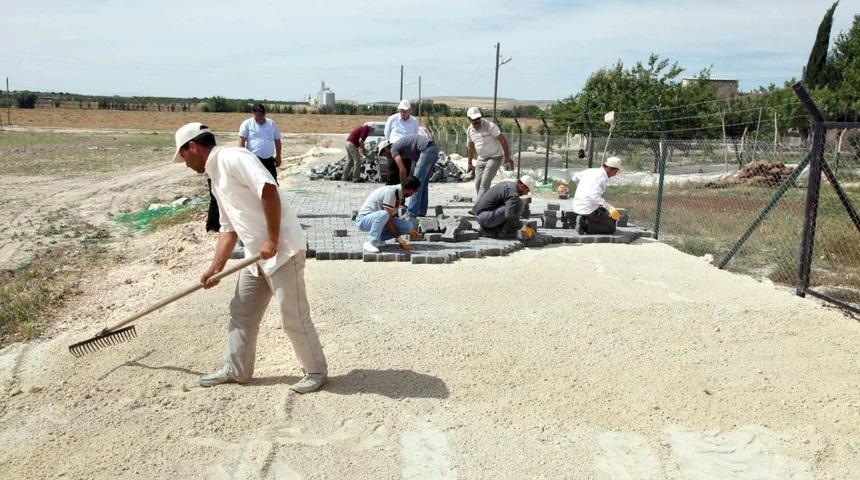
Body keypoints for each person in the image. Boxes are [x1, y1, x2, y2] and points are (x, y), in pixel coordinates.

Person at [172, 122, 327, 394]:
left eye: (183, 155)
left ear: (192, 146)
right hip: (256, 256)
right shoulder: (215, 178)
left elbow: (268, 188)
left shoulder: (234, 158)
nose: (184, 163)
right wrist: (215, 268)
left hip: (282, 250)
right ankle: (237, 369)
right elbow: (228, 228)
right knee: (241, 311)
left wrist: (273, 238)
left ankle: (316, 371)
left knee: (293, 315)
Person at [377, 134, 439, 225]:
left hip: (427, 149)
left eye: (384, 155)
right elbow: (416, 158)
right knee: (422, 183)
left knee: (415, 183)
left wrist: (403, 187)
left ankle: (411, 213)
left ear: (386, 149)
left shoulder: (394, 149)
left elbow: (402, 170)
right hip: (433, 149)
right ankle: (421, 211)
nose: (387, 157)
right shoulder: (403, 148)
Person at [355, 176, 421, 253]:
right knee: (384, 214)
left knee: (408, 226)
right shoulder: (391, 193)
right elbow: (388, 220)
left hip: (380, 218)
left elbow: (392, 216)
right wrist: (399, 239)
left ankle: (379, 238)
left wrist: (408, 230)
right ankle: (371, 242)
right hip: (364, 220)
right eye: (414, 191)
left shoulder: (399, 194)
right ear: (410, 190)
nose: (412, 194)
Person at [465, 107, 514, 199]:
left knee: (485, 182)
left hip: (495, 157)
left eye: (478, 119)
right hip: (481, 159)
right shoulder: (469, 131)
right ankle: (486, 203)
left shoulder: (490, 126)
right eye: (474, 120)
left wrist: (507, 157)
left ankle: (478, 207)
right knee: (478, 183)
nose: (476, 121)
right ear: (469, 119)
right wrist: (469, 163)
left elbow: (503, 140)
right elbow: (470, 147)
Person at [473, 175, 537, 239]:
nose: (526, 194)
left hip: (483, 215)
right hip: (484, 217)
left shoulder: (510, 185)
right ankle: (505, 233)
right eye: (527, 191)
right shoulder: (513, 194)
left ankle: (489, 230)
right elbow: (509, 216)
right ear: (522, 186)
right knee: (518, 204)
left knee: (516, 205)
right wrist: (524, 228)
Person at [571, 156, 623, 235]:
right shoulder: (601, 178)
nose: (615, 174)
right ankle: (584, 225)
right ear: (610, 169)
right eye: (615, 172)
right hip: (588, 209)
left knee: (605, 213)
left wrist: (582, 189)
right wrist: (610, 207)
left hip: (577, 205)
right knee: (611, 228)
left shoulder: (590, 171)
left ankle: (584, 219)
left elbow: (574, 177)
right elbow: (594, 197)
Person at [239, 103, 282, 183]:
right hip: (254, 160)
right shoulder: (247, 124)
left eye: (261, 115)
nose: (260, 118)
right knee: (255, 183)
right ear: (253, 114)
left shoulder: (271, 123)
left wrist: (278, 156)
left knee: (273, 183)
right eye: (257, 116)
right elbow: (242, 142)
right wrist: (243, 158)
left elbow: (277, 140)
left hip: (269, 160)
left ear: (264, 114)